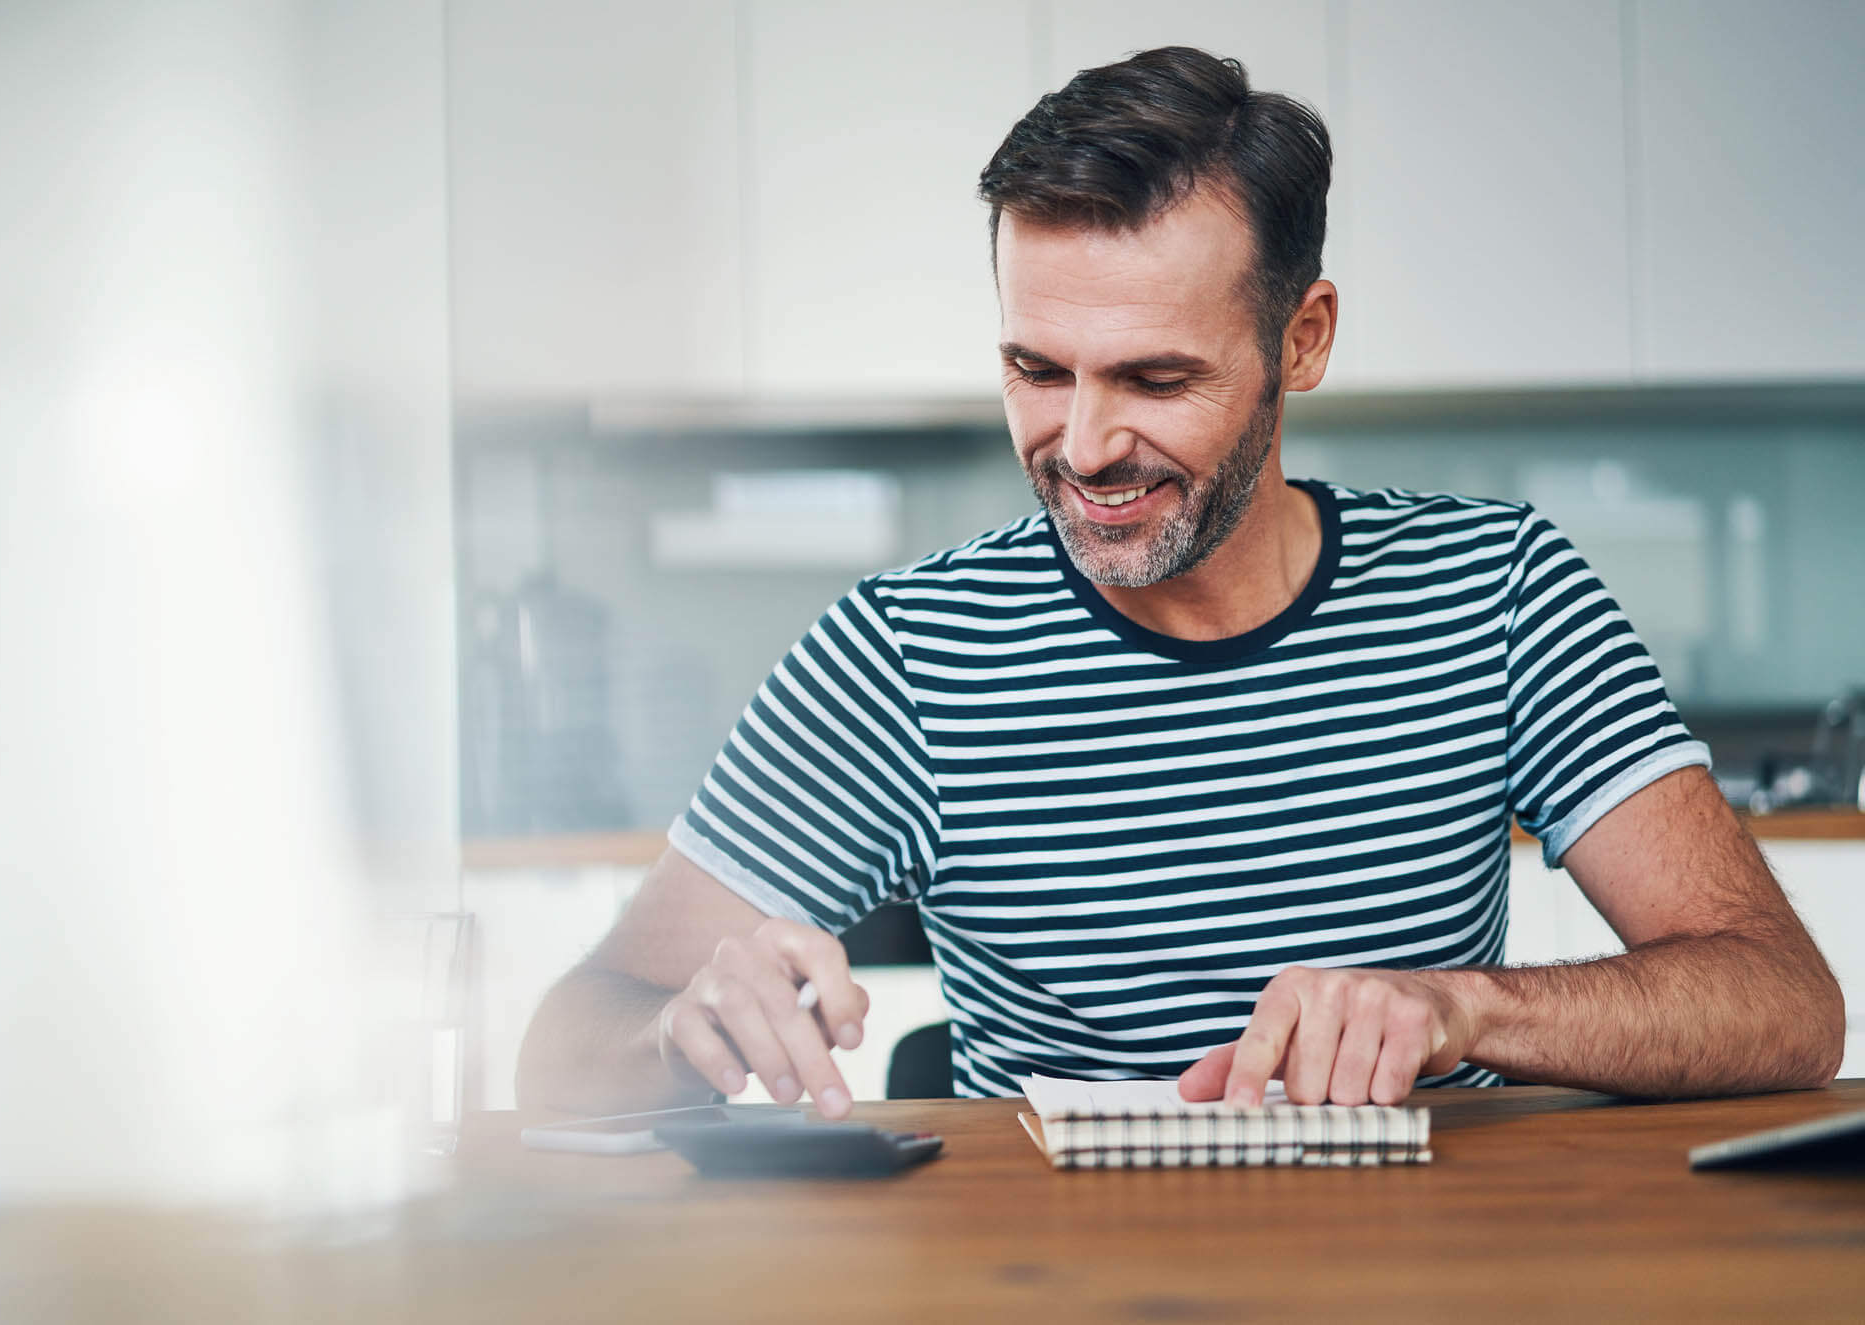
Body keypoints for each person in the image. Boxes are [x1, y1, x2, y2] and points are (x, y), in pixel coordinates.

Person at [515, 46, 1844, 1118]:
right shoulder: (903, 657)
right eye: (1038, 370)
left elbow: (1784, 1002)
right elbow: (564, 1049)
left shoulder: (1496, 590)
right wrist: (675, 1035)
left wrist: (1462, 1007)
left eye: (1155, 378)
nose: (1087, 447)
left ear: (1301, 341)